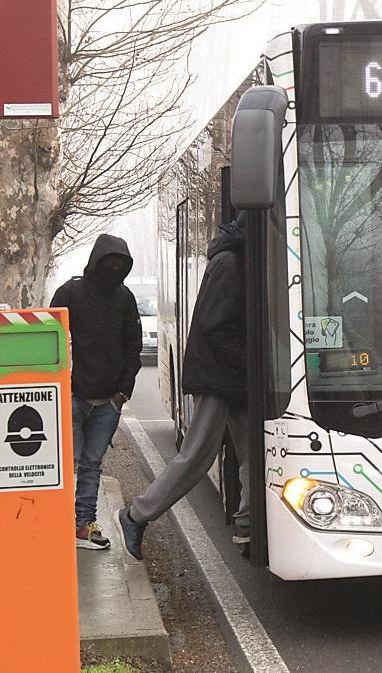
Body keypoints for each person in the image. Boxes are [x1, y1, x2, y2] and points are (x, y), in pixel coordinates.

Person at [116, 213, 250, 561]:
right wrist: (253, 362)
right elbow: (216, 325)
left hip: (234, 377)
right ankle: (135, 516)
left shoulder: (238, 258)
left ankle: (248, 524)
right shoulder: (230, 263)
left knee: (258, 454)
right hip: (218, 377)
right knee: (196, 457)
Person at [50, 234, 142, 549]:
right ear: (96, 261)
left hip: (107, 403)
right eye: (109, 262)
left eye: (120, 265)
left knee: (91, 465)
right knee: (69, 464)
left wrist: (122, 395)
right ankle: (58, 523)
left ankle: (82, 525)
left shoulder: (125, 299)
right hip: (72, 398)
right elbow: (51, 339)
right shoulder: (71, 293)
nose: (114, 268)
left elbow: (133, 347)